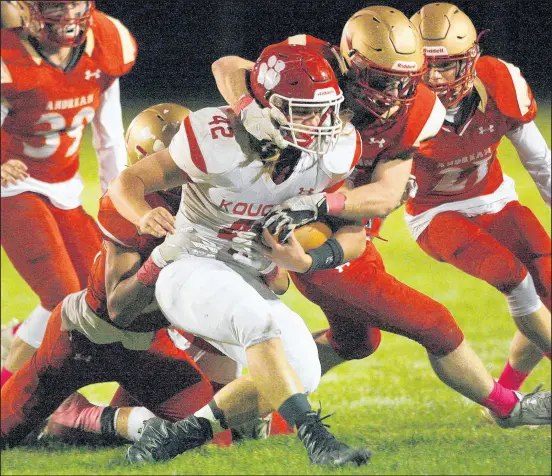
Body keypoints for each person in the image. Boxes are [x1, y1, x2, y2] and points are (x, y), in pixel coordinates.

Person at [211, 5, 551, 429]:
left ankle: (253, 421)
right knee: (434, 323)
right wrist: (250, 108)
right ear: (350, 60)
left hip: (339, 226)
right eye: (380, 79)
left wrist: (325, 206)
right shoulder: (312, 67)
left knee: (355, 341)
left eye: (406, 81)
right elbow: (228, 66)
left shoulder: (421, 109)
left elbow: (387, 194)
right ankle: (507, 407)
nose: (393, 94)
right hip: (286, 224)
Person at [109, 44, 372, 467]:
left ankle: (174, 439)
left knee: (304, 370)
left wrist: (304, 256)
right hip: (191, 264)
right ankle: (318, 440)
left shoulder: (335, 152)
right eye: (302, 111)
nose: (319, 124)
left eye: (323, 110)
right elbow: (129, 181)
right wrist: (144, 215)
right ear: (266, 108)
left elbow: (355, 232)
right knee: (259, 324)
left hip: (250, 273)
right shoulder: (218, 138)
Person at [0, 103, 249, 450]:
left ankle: (86, 420)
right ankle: (74, 414)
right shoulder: (130, 205)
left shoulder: (215, 202)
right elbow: (120, 309)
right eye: (183, 164)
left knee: (213, 441)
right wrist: (163, 257)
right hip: (84, 338)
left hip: (150, 343)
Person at [407, 3, 551, 401]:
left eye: (447, 65)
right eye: (425, 65)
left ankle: (506, 392)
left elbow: (539, 161)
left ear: (470, 59)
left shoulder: (500, 80)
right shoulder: (398, 101)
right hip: (435, 212)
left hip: (495, 198)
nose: (434, 76)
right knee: (511, 275)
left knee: (548, 289)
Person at [1, 0, 137, 386]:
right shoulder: (9, 58)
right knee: (61, 299)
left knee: (95, 295)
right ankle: (7, 393)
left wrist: (117, 201)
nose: (66, 14)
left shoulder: (107, 45)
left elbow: (110, 136)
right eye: (54, 6)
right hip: (12, 186)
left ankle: (15, 338)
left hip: (65, 188)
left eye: (73, 3)